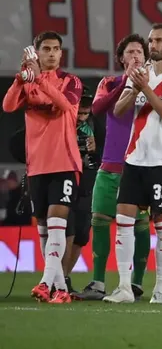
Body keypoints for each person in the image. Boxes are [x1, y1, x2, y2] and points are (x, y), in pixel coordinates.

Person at [105, 24, 162, 304]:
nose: (152, 45)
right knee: (123, 223)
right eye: (151, 40)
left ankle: (161, 288)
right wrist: (134, 88)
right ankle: (124, 287)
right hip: (134, 160)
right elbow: (119, 110)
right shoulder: (141, 72)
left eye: (158, 40)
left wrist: (146, 89)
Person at [3, 33, 84, 304]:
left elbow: (64, 104)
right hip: (37, 166)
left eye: (56, 49)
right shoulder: (28, 83)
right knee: (44, 229)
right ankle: (60, 289)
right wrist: (20, 80)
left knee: (57, 222)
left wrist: (39, 79)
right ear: (37, 53)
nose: (52, 53)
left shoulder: (71, 81)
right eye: (46, 49)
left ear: (61, 53)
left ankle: (45, 282)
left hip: (65, 163)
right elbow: (8, 106)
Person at [75, 34, 150, 301]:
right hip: (110, 164)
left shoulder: (155, 83)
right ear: (121, 58)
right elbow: (97, 108)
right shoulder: (109, 83)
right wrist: (126, 82)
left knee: (140, 225)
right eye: (130, 52)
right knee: (99, 220)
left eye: (139, 52)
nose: (135, 56)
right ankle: (98, 282)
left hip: (140, 165)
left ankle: (136, 283)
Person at [61, 91, 97, 295]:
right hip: (64, 181)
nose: (82, 116)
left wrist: (94, 150)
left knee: (81, 235)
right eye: (80, 112)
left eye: (86, 112)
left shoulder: (93, 127)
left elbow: (103, 154)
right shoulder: (60, 122)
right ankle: (57, 279)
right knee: (67, 231)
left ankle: (64, 277)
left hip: (86, 184)